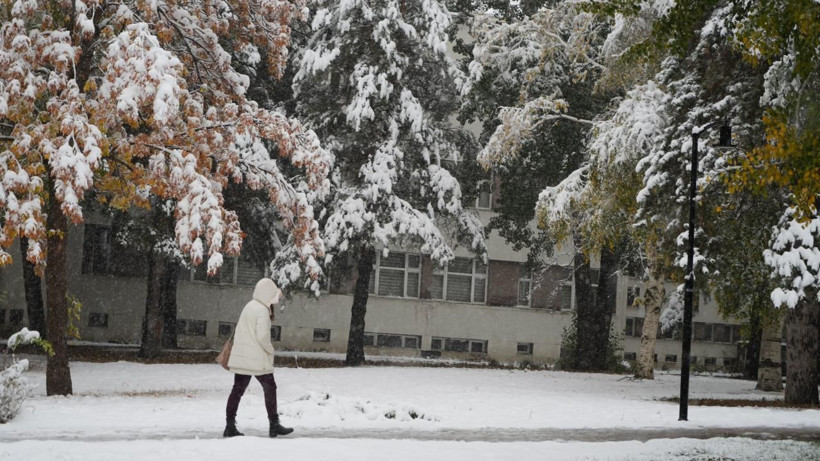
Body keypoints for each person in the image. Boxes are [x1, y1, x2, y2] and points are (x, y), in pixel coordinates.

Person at [223, 278, 294, 438]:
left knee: (237, 391)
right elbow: (262, 337)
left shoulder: (249, 306)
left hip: (243, 357)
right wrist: (271, 350)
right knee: (270, 388)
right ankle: (274, 425)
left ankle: (229, 426)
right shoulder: (262, 310)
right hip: (256, 359)